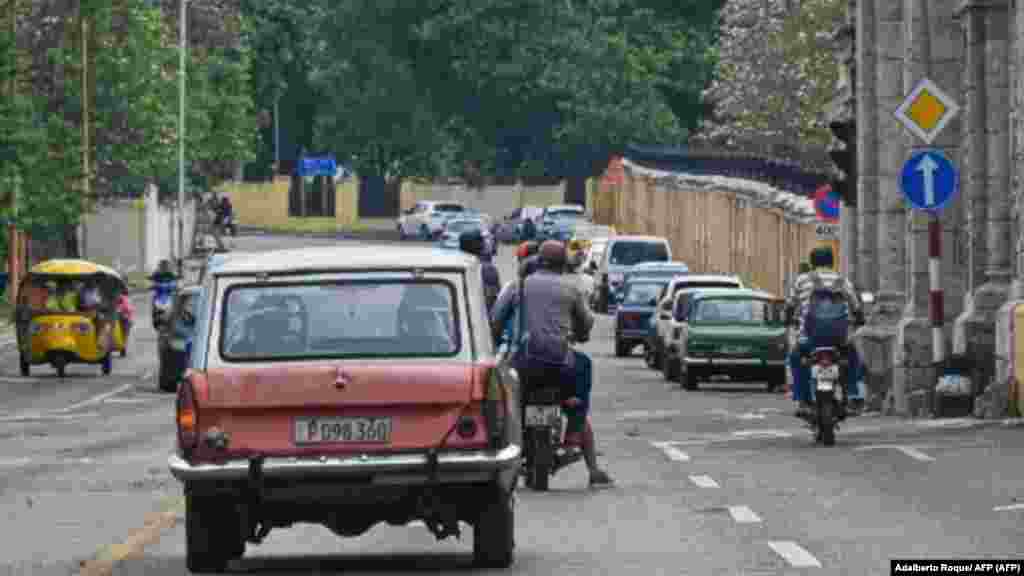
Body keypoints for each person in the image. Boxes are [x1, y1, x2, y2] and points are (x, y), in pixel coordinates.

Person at [493, 239, 613, 488]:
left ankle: (500, 447)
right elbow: (586, 322)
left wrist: (495, 344)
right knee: (584, 369)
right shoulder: (570, 288)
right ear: (562, 265)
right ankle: (574, 431)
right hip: (560, 365)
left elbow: (496, 318)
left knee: (505, 401)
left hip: (524, 364)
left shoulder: (519, 286)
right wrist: (579, 334)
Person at [785, 246, 865, 417]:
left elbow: (790, 306)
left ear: (812, 263)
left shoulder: (802, 280)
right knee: (852, 356)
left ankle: (803, 400)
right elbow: (856, 307)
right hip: (839, 338)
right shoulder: (843, 281)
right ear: (832, 262)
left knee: (796, 357)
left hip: (809, 338)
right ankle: (853, 394)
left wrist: (788, 321)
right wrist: (859, 320)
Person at [458, 228, 501, 313]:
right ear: (480, 245)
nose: (488, 242)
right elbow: (492, 299)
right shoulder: (487, 269)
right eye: (484, 240)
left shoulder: (460, 263)